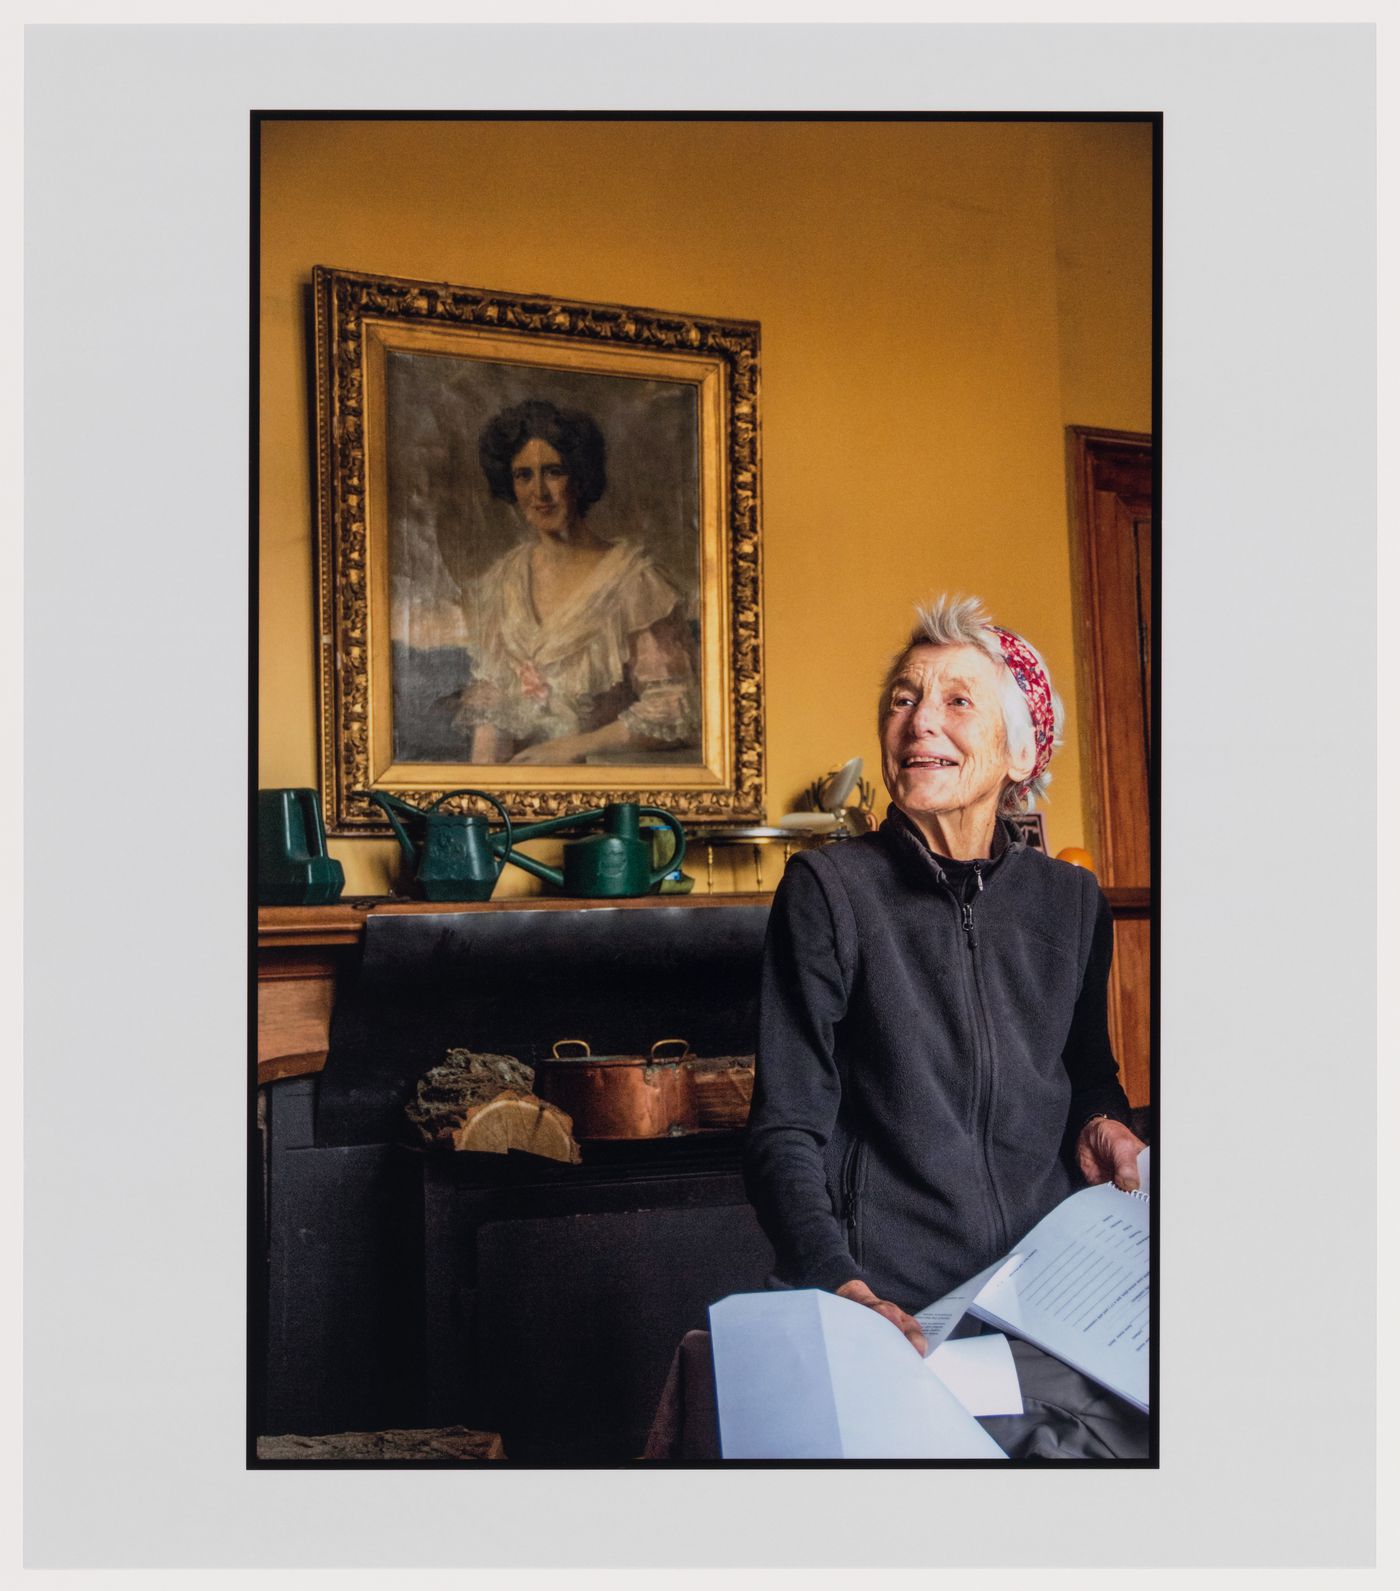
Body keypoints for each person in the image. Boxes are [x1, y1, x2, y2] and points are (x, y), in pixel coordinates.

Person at [743, 594, 1147, 1364]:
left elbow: (1089, 1072)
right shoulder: (828, 891)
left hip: (1050, 1296)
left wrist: (1104, 1120)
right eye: (904, 698)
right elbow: (784, 1126)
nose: (920, 718)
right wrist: (838, 1282)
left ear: (1021, 754)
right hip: (897, 1302)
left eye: (957, 700)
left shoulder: (1071, 902)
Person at [456, 398, 699, 765]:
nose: (539, 493)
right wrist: (479, 798)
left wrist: (572, 747)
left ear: (580, 477)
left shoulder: (633, 582)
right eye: (524, 475)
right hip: (517, 796)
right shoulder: (501, 583)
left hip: (604, 789)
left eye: (553, 472)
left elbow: (673, 708)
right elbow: (493, 716)